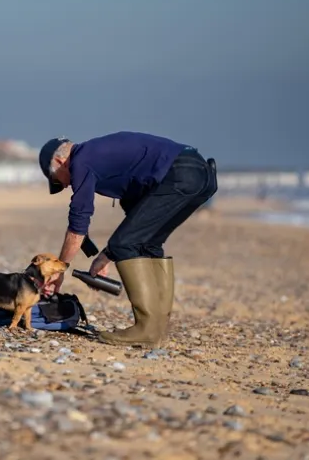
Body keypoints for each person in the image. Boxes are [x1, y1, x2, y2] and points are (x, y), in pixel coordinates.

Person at [38, 131, 217, 347]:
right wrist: (105, 256)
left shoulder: (81, 160)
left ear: (60, 161)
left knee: (126, 244)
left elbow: (78, 227)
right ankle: (157, 328)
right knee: (148, 244)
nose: (65, 186)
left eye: (58, 181)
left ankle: (147, 329)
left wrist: (58, 272)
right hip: (199, 174)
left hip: (178, 174)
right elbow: (135, 226)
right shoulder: (104, 160)